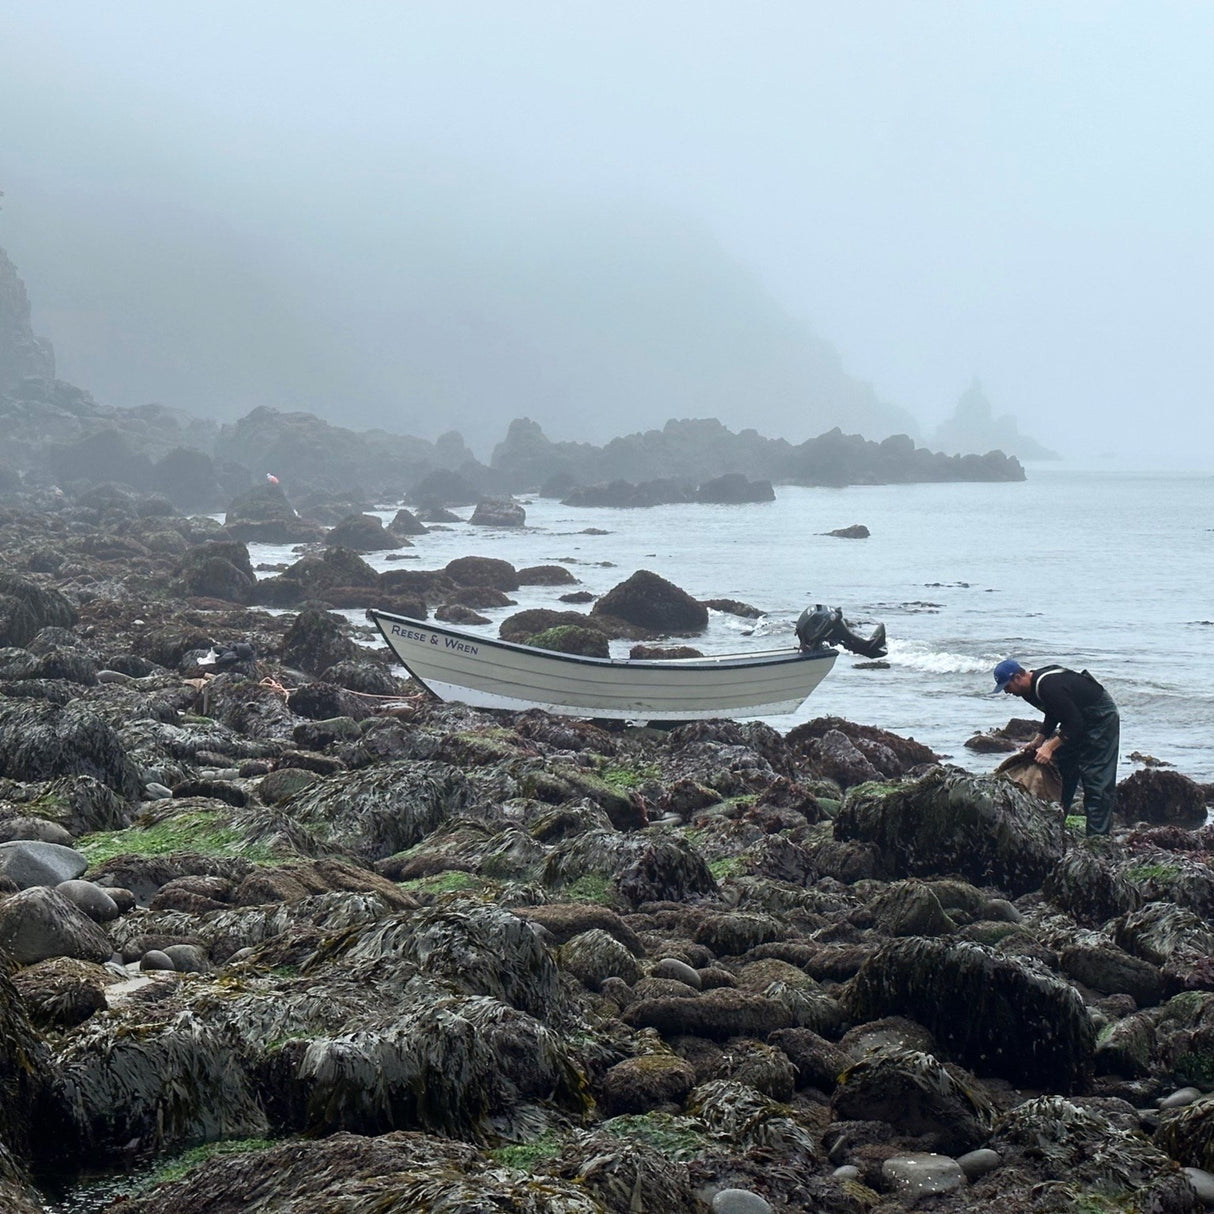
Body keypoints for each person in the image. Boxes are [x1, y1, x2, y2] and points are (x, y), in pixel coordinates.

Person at [992, 658, 1120, 836]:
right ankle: (1058, 826)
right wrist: (1039, 740)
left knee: (1096, 778)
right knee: (1065, 769)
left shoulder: (1049, 686)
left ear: (1017, 677)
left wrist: (1049, 747)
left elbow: (1075, 723)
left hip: (1100, 717)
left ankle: (1098, 837)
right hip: (1077, 718)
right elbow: (1054, 712)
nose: (1006, 692)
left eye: (1007, 686)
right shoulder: (1028, 690)